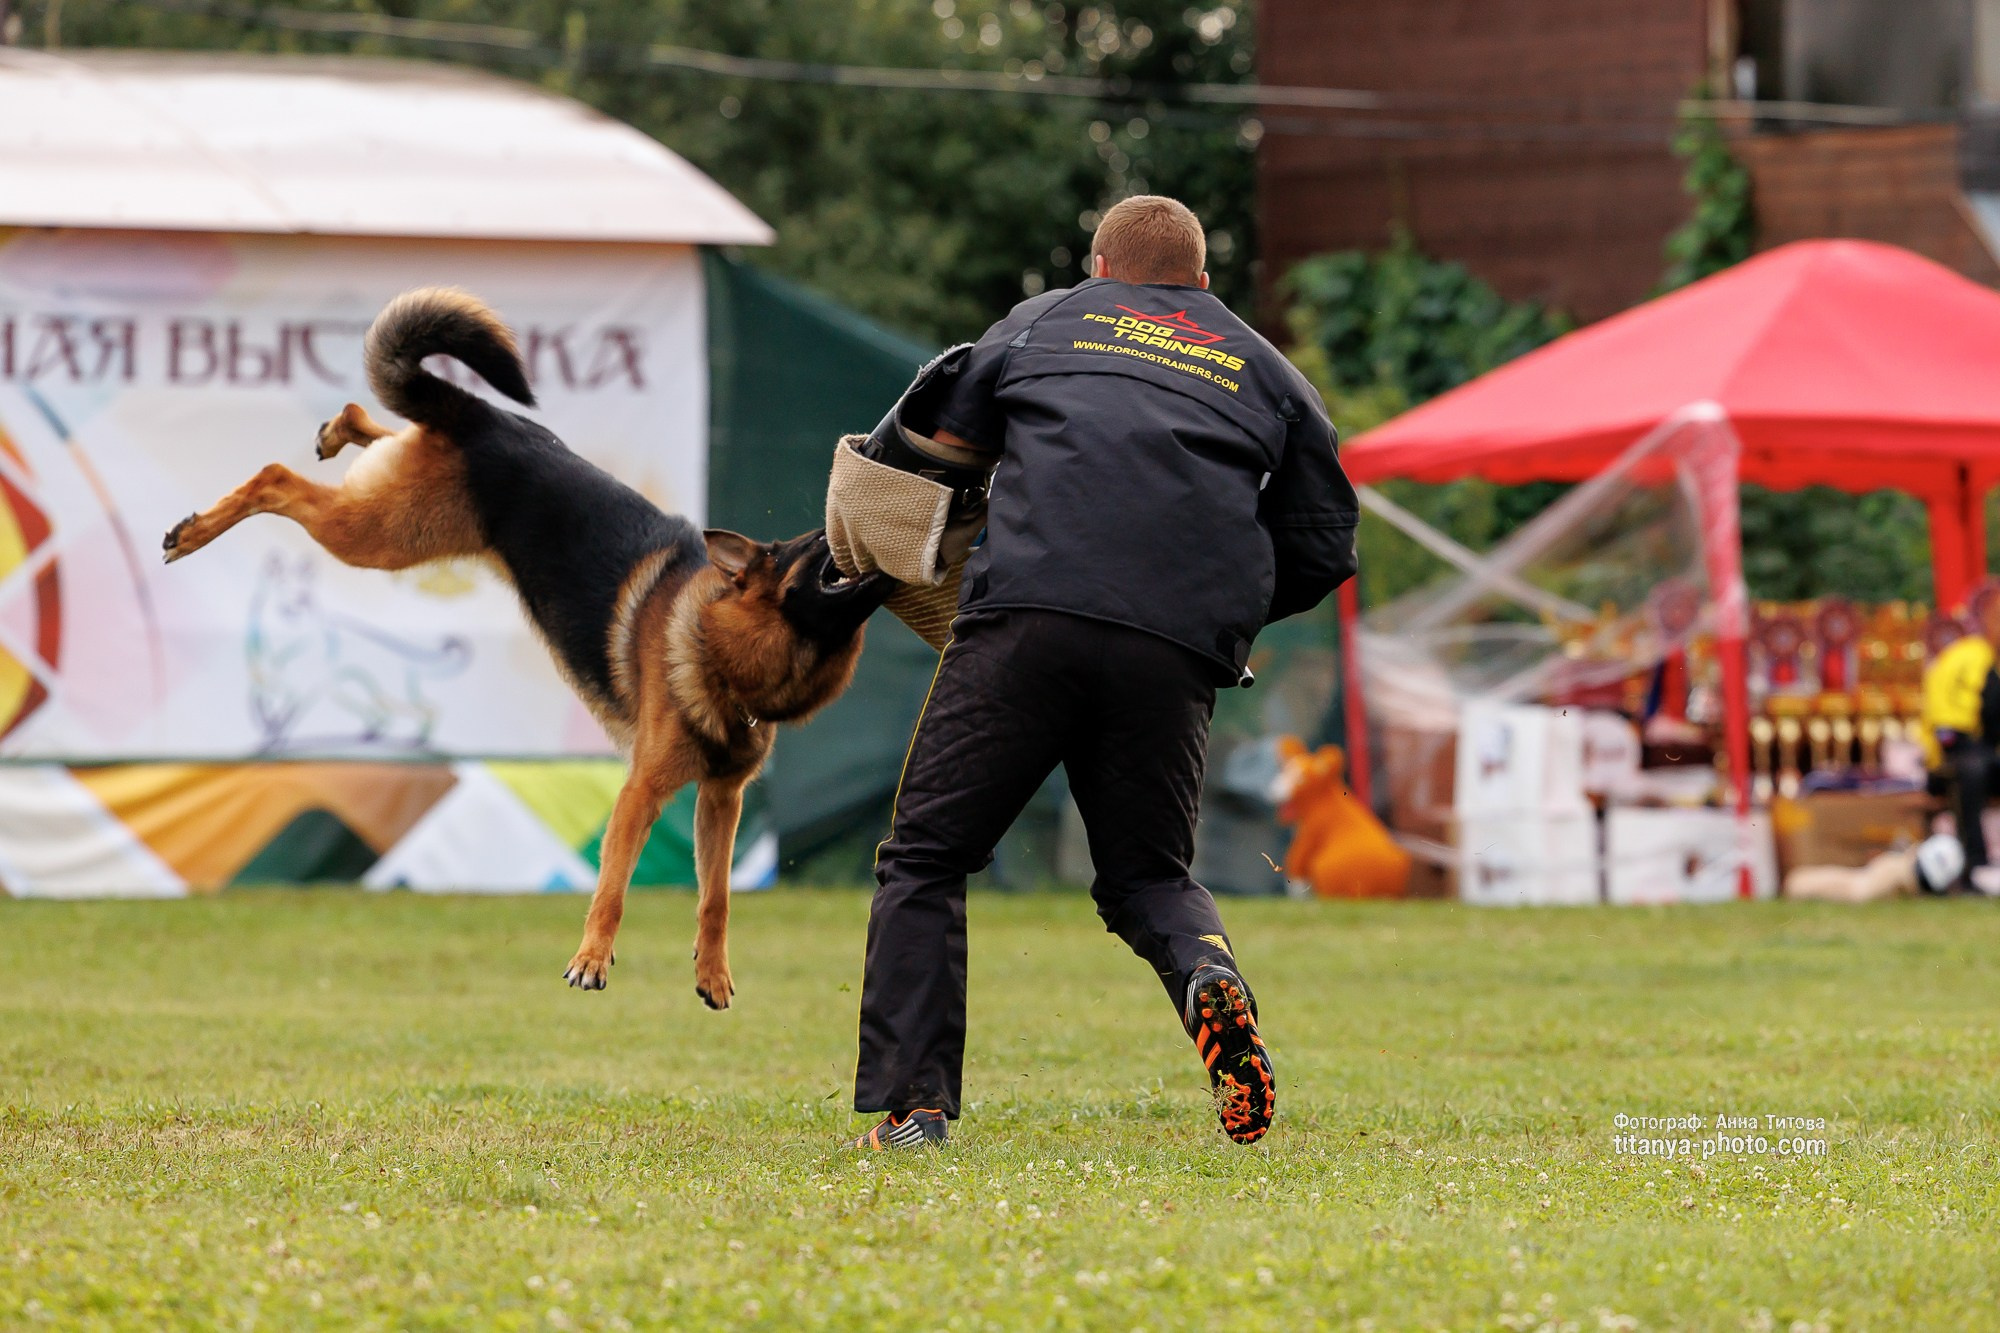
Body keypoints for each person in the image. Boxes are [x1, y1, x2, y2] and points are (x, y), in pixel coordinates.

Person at [847, 196, 1358, 1150]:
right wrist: (1217, 614)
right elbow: (1325, 544)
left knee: (925, 858)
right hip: (1174, 650)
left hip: (1026, 619)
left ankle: (914, 1111)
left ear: (1097, 268)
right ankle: (1211, 976)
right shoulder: (1265, 365)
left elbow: (931, 444)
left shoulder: (1046, 320)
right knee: (1148, 874)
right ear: (1202, 284)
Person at [1920, 596, 2000, 894]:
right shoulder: (1965, 657)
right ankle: (1974, 867)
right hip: (1950, 756)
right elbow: (1944, 727)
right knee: (1971, 770)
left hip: (1987, 756)